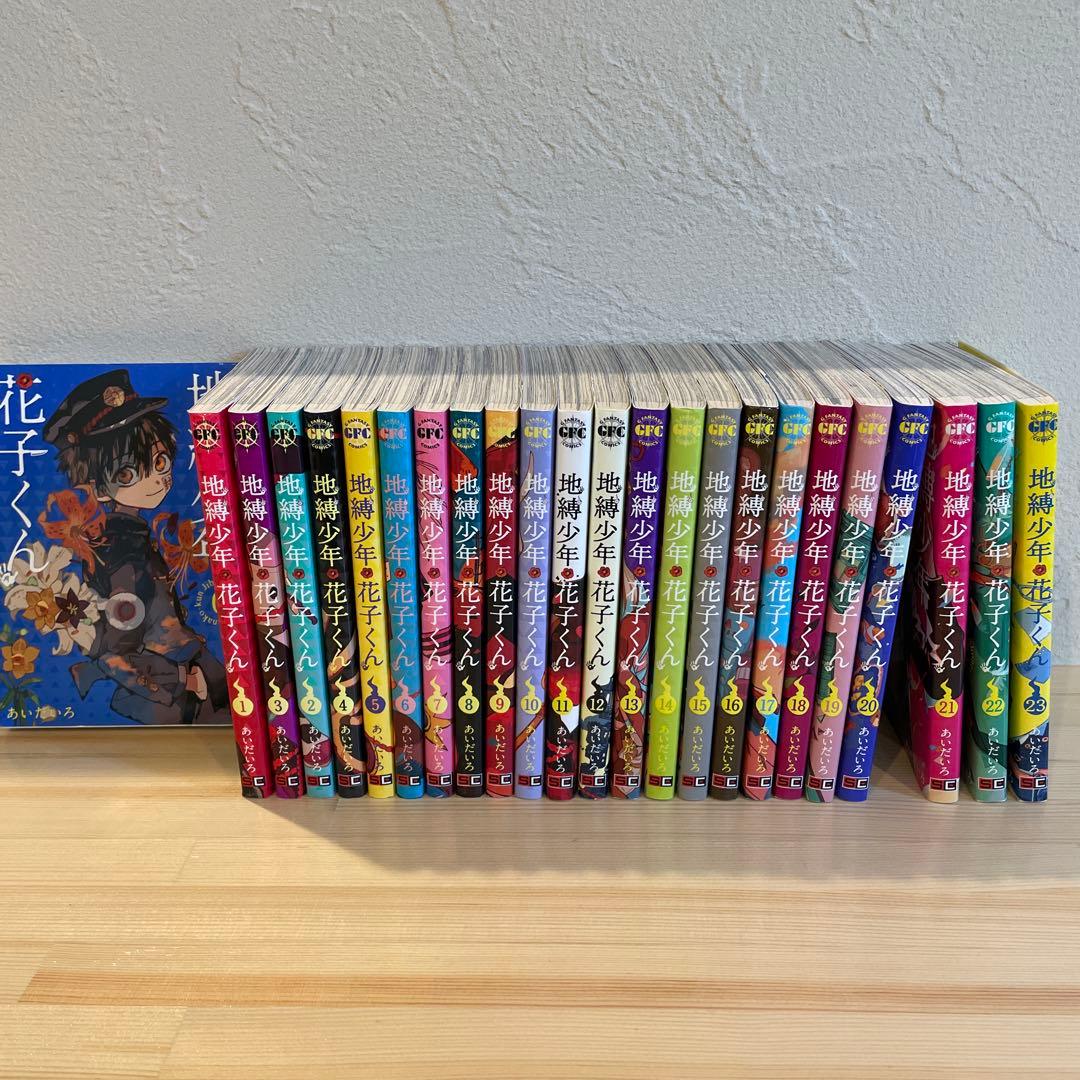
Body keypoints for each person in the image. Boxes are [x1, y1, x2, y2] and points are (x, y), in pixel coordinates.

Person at [43, 369, 228, 724]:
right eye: (127, 474)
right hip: (174, 691)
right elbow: (116, 651)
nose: (156, 478)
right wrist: (181, 680)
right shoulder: (122, 553)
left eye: (159, 461)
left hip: (186, 671)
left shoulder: (132, 538)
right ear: (98, 489)